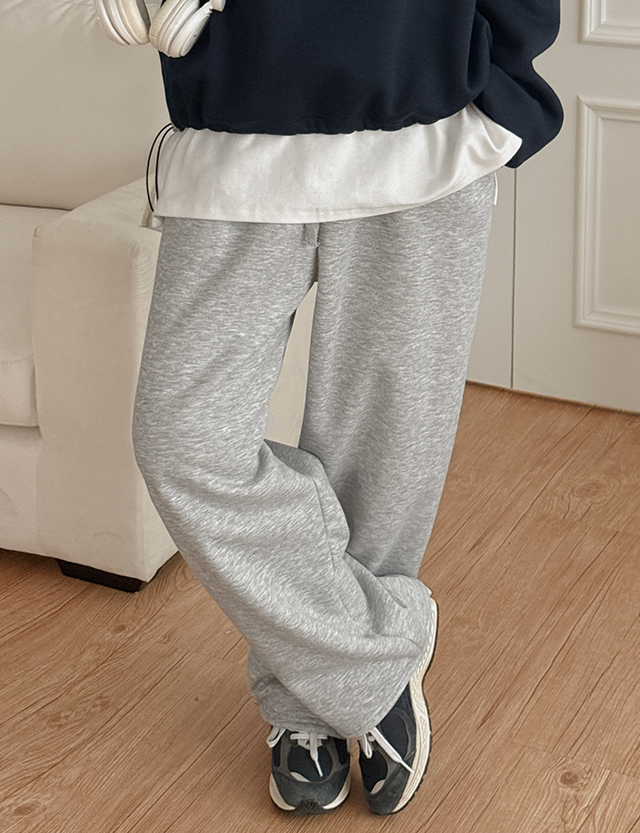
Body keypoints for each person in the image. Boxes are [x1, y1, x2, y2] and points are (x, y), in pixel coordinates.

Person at [128, 0, 563, 817]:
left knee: (386, 454)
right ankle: (375, 665)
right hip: (234, 128)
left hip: (426, 123)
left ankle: (310, 707)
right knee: (183, 442)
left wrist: (504, 90)